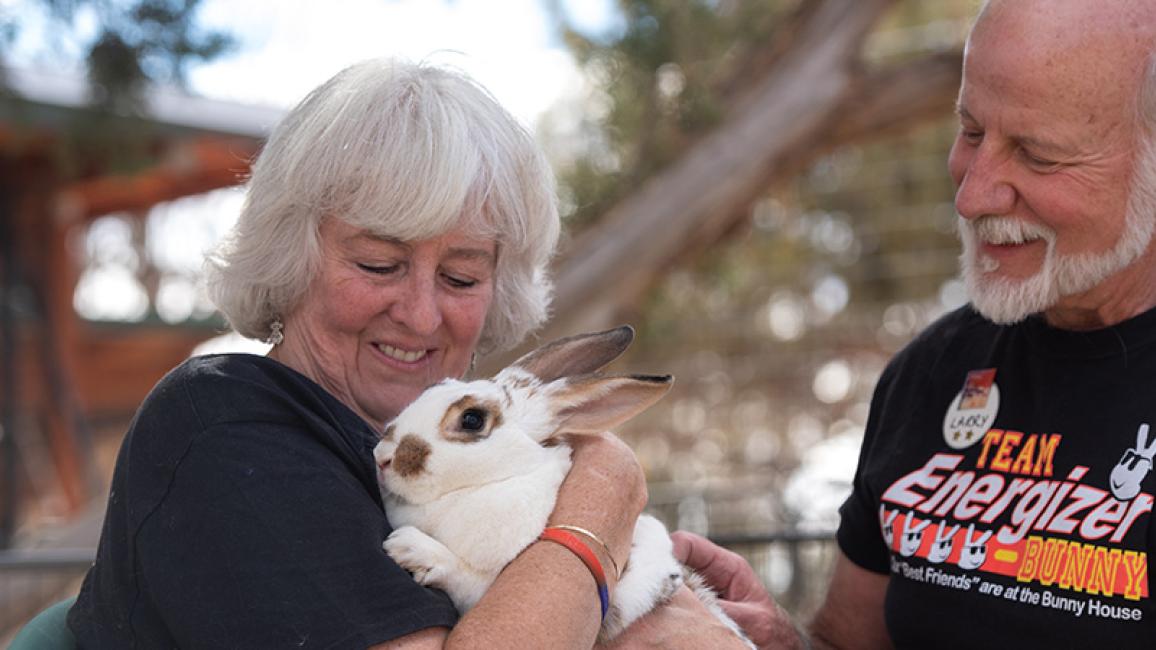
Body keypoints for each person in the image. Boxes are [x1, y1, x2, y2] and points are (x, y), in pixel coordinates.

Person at [65, 58, 745, 649]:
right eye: (379, 263)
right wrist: (604, 497)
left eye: (461, 277)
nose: (421, 314)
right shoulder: (227, 425)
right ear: (292, 256)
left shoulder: (434, 458)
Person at [675, 1, 1156, 648]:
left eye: (1037, 156)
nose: (972, 194)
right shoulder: (936, 368)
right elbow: (850, 640)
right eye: (971, 131)